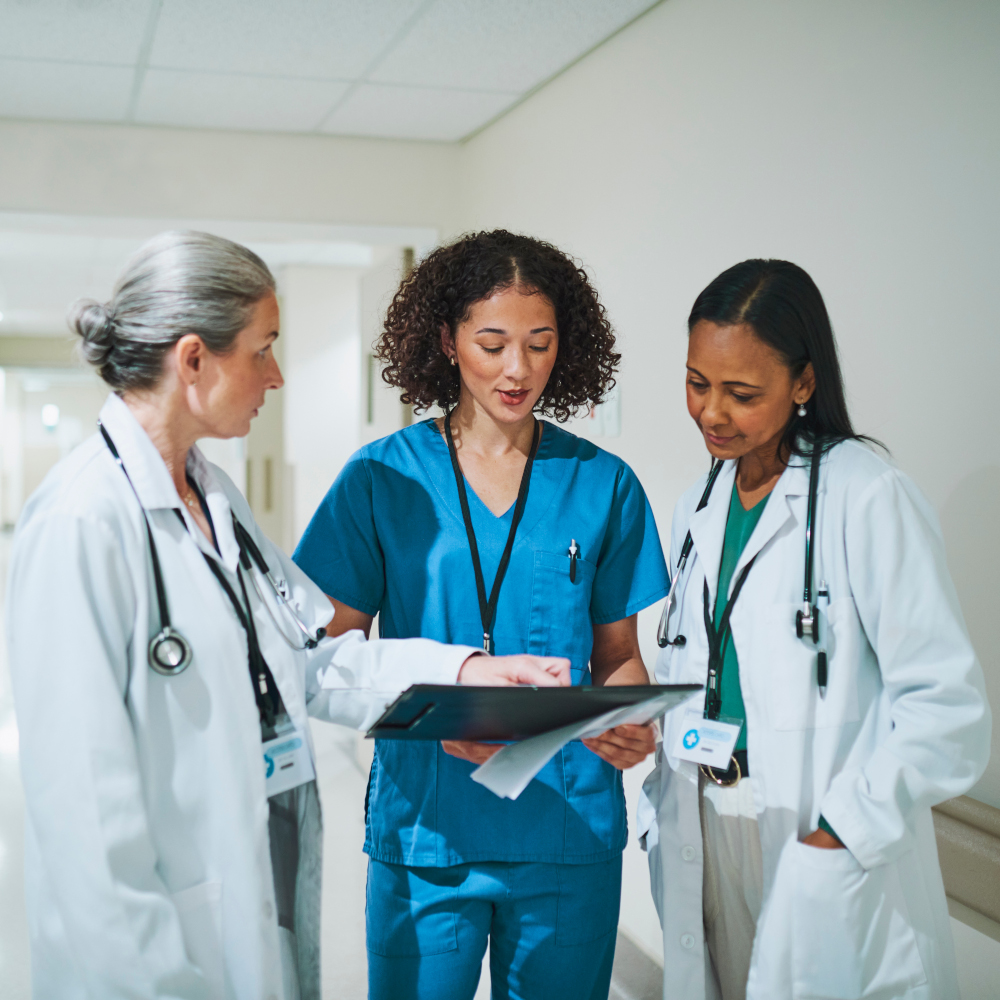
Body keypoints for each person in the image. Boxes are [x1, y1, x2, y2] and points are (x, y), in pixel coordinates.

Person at [6, 230, 569, 1000]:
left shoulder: (213, 498)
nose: (275, 376)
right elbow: (84, 826)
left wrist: (464, 671)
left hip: (247, 891)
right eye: (263, 349)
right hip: (149, 953)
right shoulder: (83, 524)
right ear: (195, 360)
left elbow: (307, 658)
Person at [293, 230, 670, 1000]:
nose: (518, 369)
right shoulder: (379, 480)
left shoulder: (604, 485)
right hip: (426, 831)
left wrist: (633, 717)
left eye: (540, 343)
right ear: (447, 339)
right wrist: (432, 714)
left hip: (568, 827)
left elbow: (618, 653)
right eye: (492, 342)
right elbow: (328, 655)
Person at [639, 259, 991, 1000]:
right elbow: (699, 670)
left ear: (803, 383)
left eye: (742, 394)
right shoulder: (698, 505)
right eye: (697, 383)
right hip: (706, 817)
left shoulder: (867, 496)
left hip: (820, 832)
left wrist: (842, 828)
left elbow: (945, 711)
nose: (711, 413)